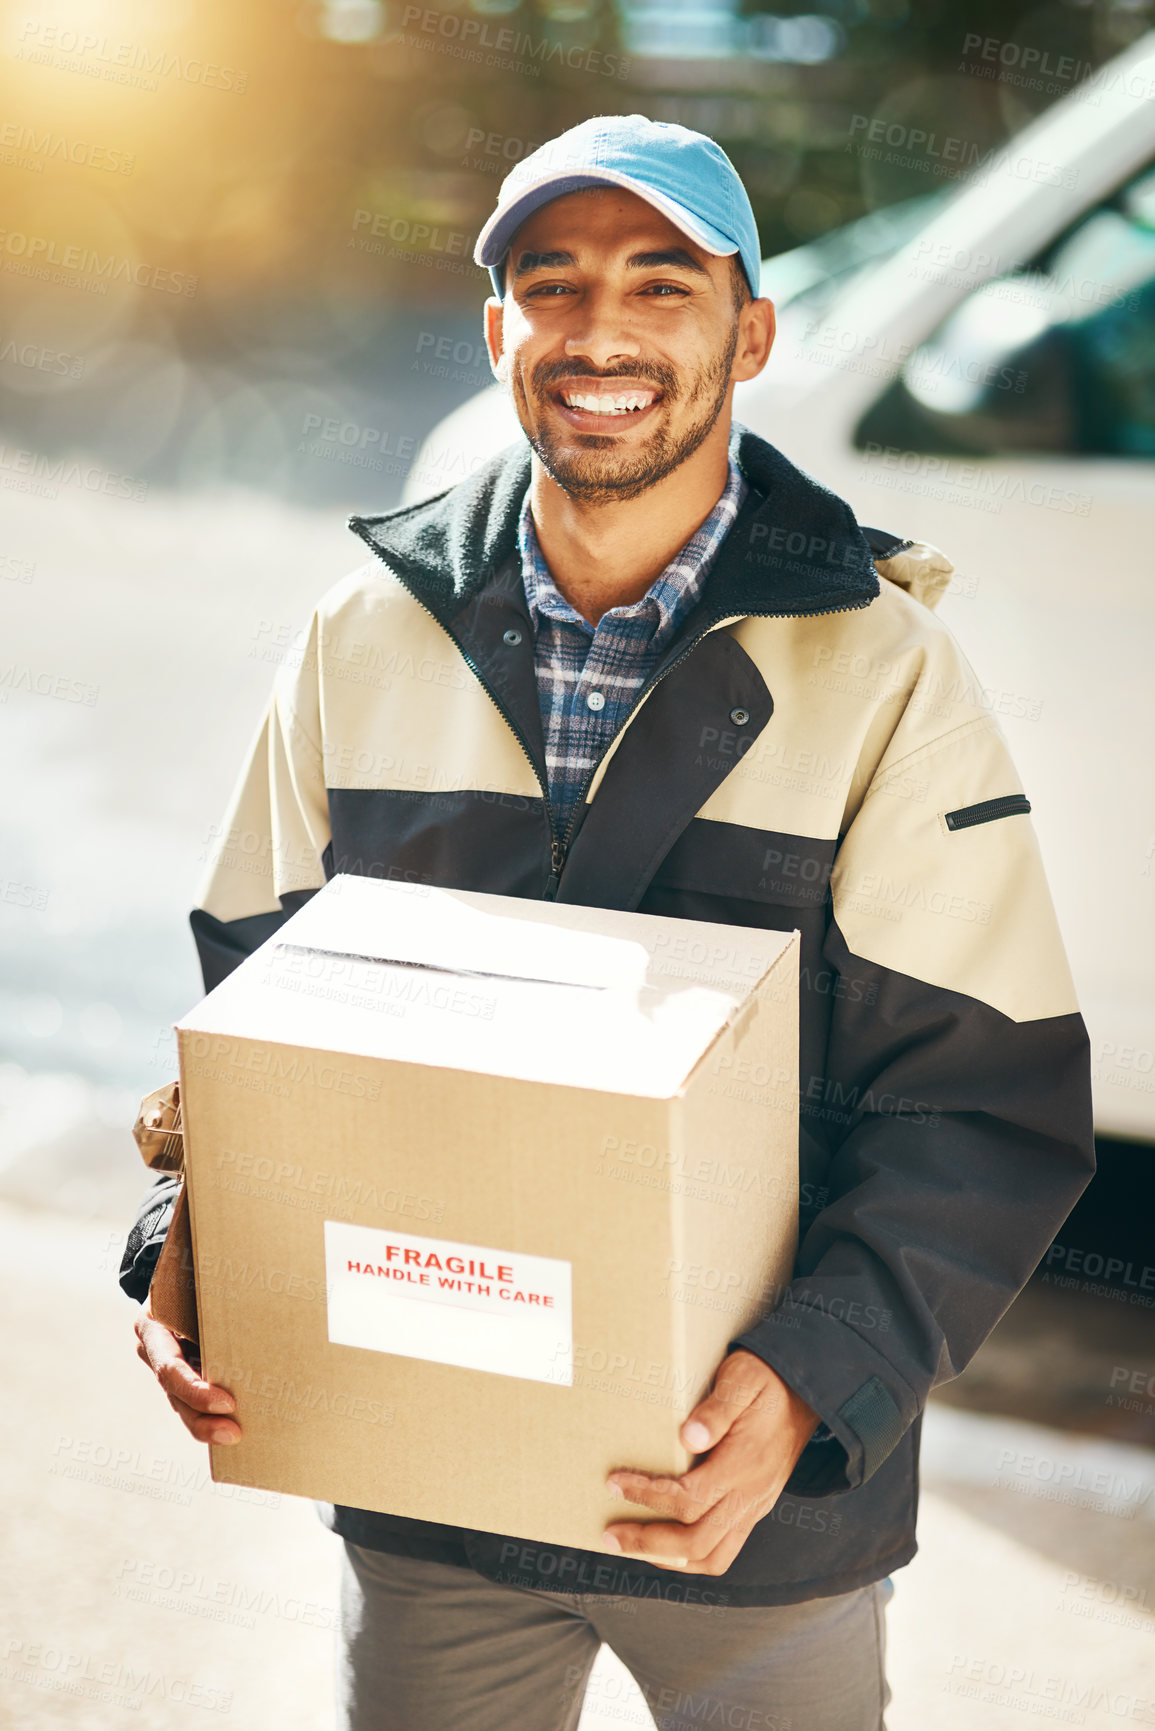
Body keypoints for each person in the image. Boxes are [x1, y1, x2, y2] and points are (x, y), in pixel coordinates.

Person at [123, 115, 1094, 1730]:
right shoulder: (358, 640)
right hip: (427, 1487)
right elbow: (258, 1020)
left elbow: (978, 1103)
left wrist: (809, 1386)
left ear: (751, 333)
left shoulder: (886, 676)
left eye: (662, 281)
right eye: (552, 284)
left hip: (758, 1516)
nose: (602, 330)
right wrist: (187, 1250)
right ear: (500, 331)